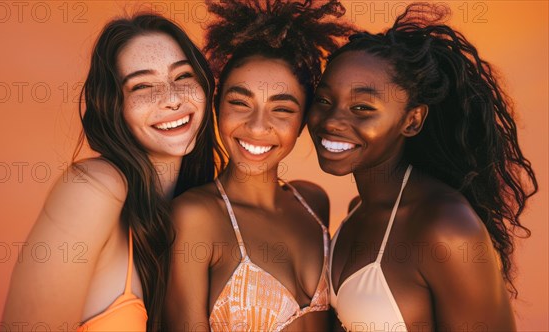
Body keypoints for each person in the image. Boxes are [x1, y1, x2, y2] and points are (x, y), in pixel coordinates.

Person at [308, 3, 538, 331]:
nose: (333, 121)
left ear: (412, 121)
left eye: (362, 107)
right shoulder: (355, 213)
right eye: (324, 100)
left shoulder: (445, 226)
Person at [2, 13, 224, 331]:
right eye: (142, 86)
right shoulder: (94, 187)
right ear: (114, 107)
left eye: (183, 76)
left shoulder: (196, 213)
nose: (173, 99)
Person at [165, 1, 351, 331]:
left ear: (304, 119)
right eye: (240, 103)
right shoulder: (195, 217)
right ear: (217, 105)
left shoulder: (313, 202)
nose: (257, 126)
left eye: (282, 110)